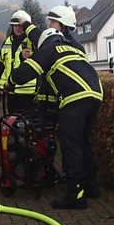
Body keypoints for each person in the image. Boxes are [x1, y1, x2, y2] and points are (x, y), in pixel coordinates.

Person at [7, 28, 103, 209]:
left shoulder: (49, 49)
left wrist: (10, 82)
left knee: (70, 145)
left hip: (75, 98)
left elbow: (24, 74)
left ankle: (76, 195)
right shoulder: (74, 49)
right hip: (95, 95)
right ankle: (91, 186)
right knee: (84, 142)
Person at [0, 10, 39, 114]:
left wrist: (33, 56)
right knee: (12, 122)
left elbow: (42, 62)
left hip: (28, 92)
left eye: (20, 25)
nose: (17, 28)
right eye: (15, 25)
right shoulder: (7, 42)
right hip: (10, 91)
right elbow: (1, 64)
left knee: (26, 124)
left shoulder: (34, 42)